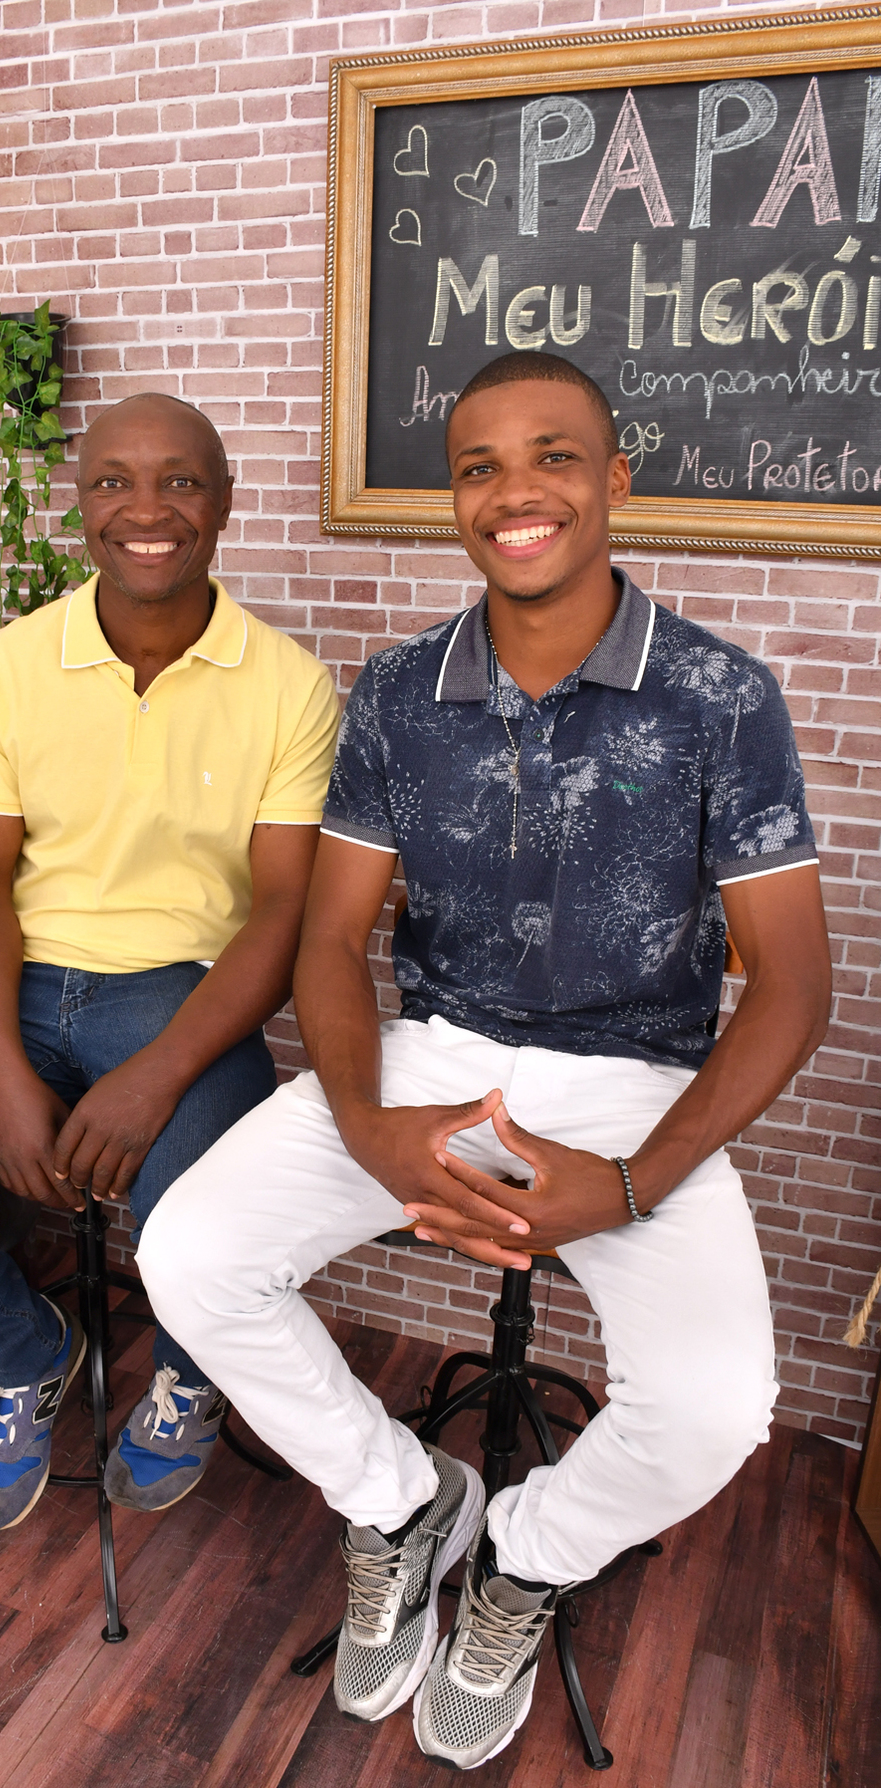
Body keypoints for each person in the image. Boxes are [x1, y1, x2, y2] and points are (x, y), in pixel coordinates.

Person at [135, 353, 831, 1769]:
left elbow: (796, 986)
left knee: (717, 1410)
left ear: (615, 478)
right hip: (432, 1058)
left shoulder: (719, 695)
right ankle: (402, 1503)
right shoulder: (399, 692)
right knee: (189, 1254)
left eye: (554, 456)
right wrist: (371, 1125)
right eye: (478, 466)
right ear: (453, 499)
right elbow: (331, 940)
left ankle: (525, 1556)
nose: (517, 491)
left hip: (636, 1084)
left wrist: (628, 1187)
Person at [0, 393, 339, 1532]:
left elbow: (287, 908)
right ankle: (22, 1353)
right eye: (112, 482)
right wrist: (3, 1076)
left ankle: (189, 1376)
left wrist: (157, 1076)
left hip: (180, 998)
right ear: (80, 501)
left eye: (180, 481)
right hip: (17, 980)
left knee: (209, 1225)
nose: (146, 509)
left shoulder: (289, 683)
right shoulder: (14, 664)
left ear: (226, 502)